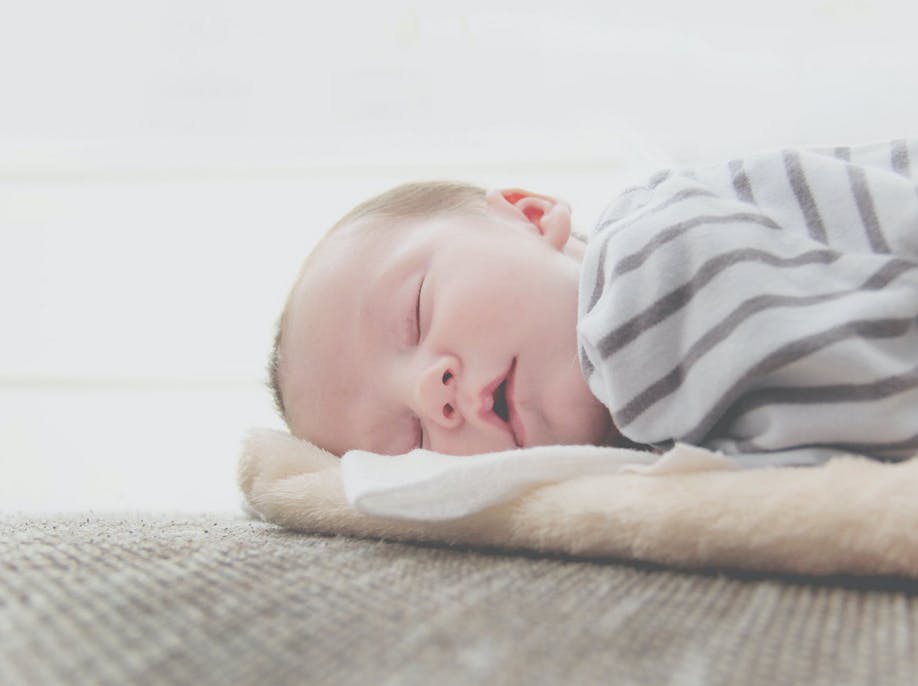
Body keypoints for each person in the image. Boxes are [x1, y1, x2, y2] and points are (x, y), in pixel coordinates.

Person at [269, 139, 918, 467]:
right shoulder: (638, 433)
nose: (428, 391)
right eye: (409, 444)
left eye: (415, 311)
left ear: (528, 215)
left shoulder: (639, 273)